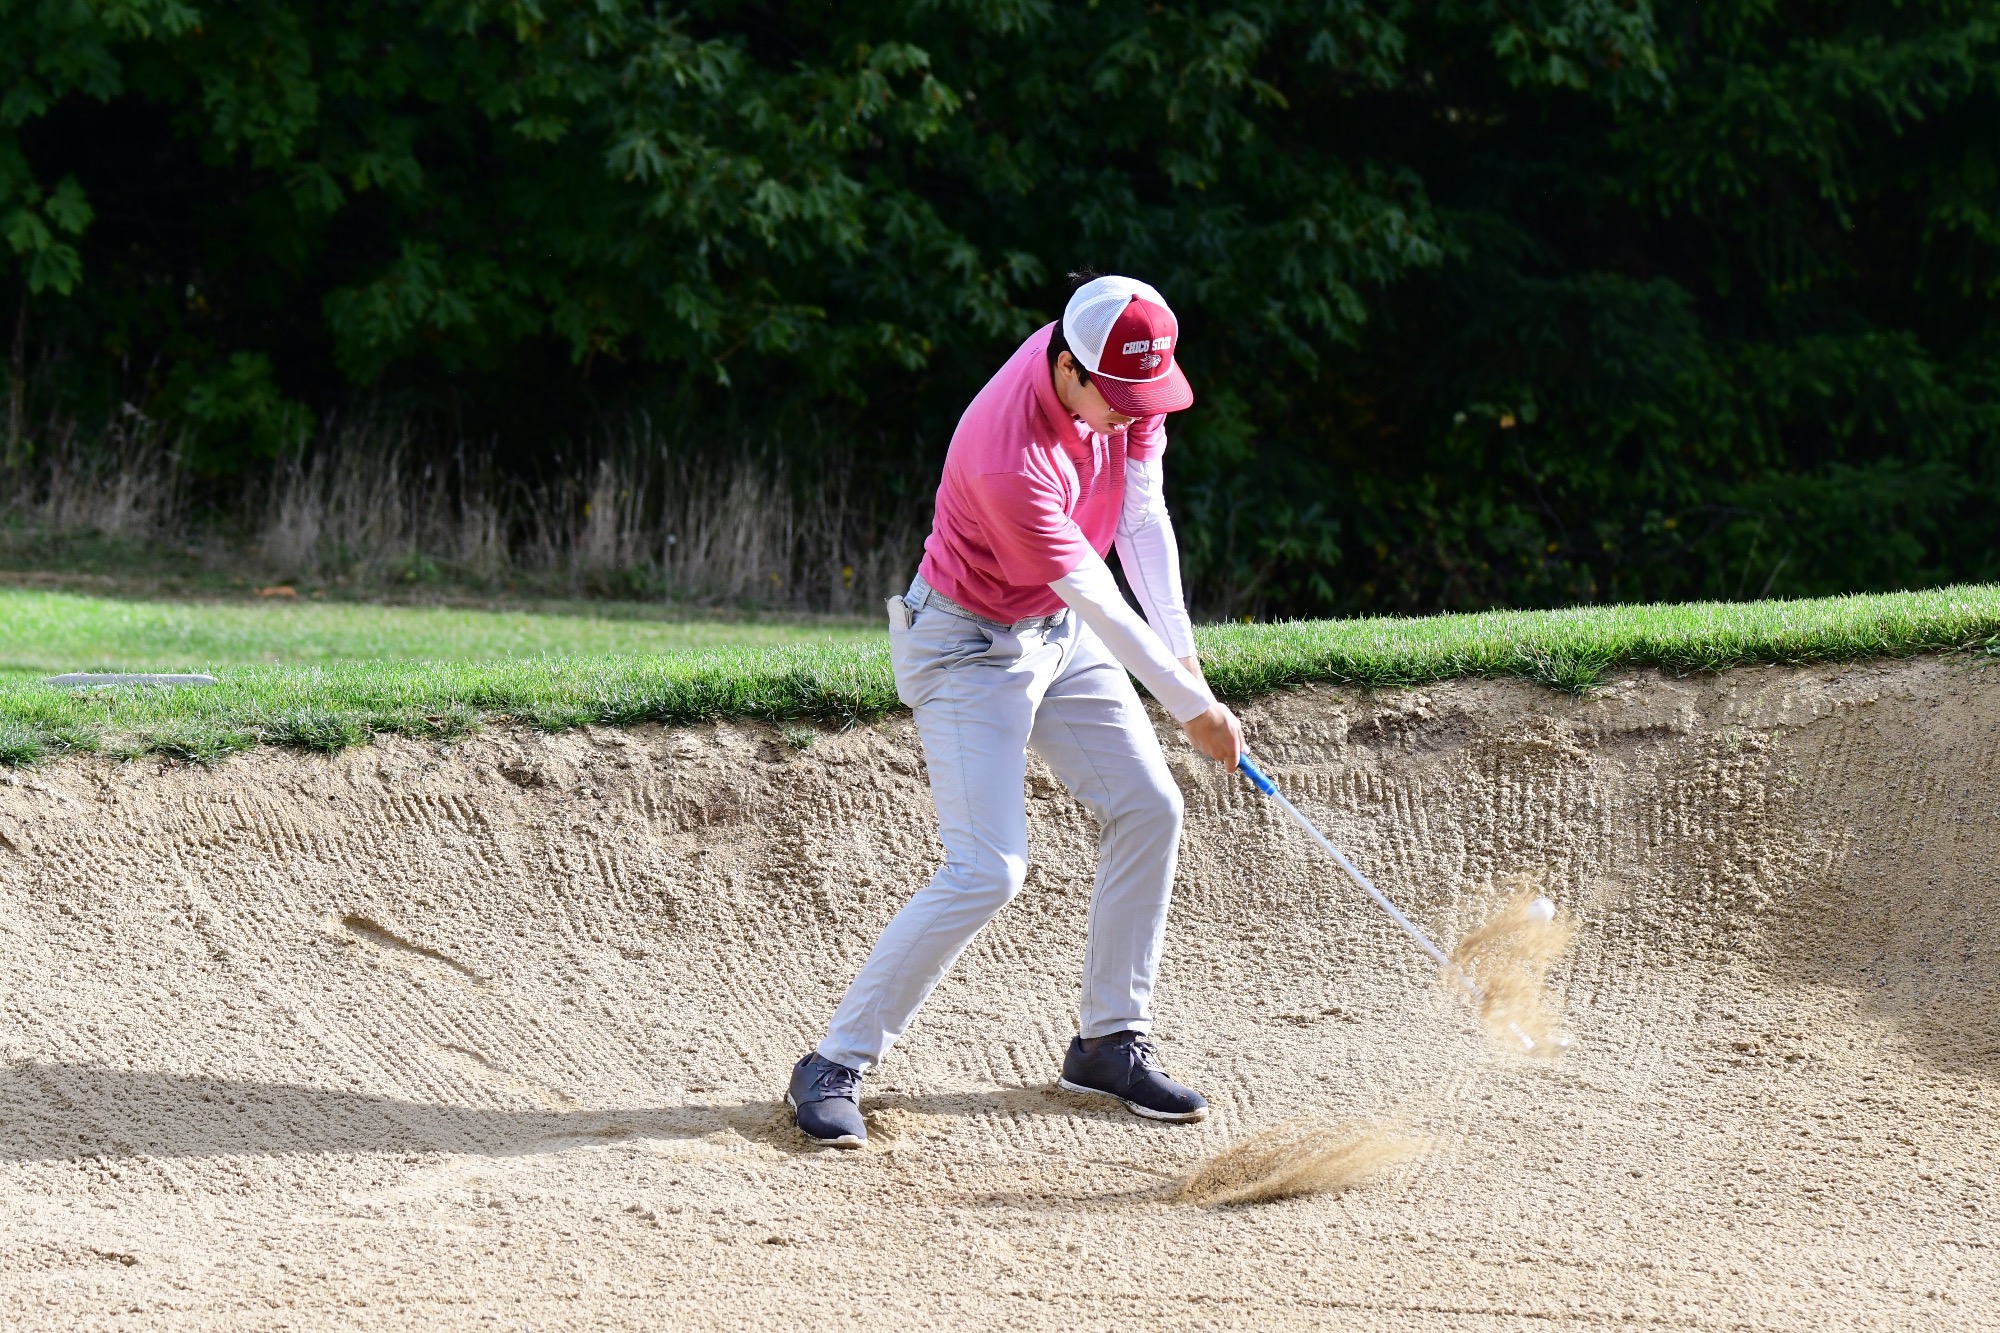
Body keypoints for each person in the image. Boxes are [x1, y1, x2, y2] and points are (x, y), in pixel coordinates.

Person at [786, 274, 1244, 1147]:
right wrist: (1190, 710)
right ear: (1066, 368)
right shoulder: (1008, 452)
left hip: (1056, 629)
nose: (1130, 414)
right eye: (1116, 402)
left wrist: (1186, 660)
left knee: (1150, 805)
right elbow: (1100, 595)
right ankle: (832, 1063)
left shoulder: (1124, 365)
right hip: (965, 643)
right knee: (988, 867)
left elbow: (1142, 516)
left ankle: (1108, 1043)